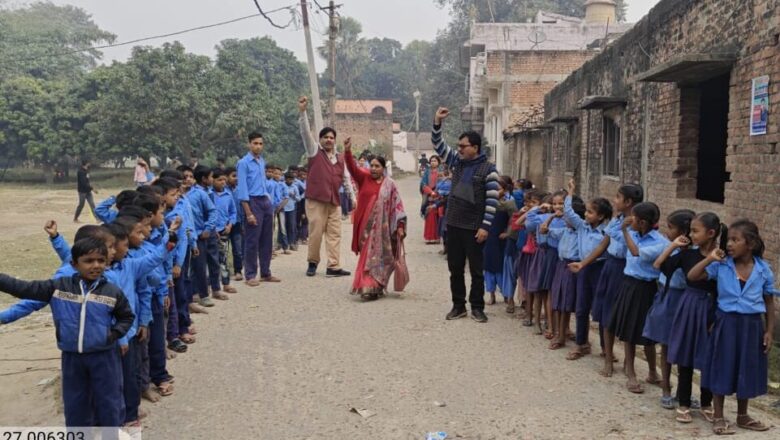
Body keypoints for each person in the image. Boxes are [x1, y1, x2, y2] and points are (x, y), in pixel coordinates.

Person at [0, 237, 135, 428]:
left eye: (101, 261)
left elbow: (126, 317)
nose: (96, 265)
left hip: (104, 358)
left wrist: (112, 335)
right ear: (74, 264)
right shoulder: (57, 287)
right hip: (72, 359)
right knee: (76, 406)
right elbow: (23, 288)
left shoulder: (112, 292)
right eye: (89, 261)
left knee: (109, 404)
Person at [688, 220, 776, 435]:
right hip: (726, 323)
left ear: (751, 244)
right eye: (728, 240)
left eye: (736, 240)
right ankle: (718, 416)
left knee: (745, 367)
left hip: (752, 325)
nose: (729, 245)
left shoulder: (764, 270)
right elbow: (692, 276)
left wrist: (769, 331)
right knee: (722, 366)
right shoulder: (721, 266)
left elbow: (769, 302)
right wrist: (710, 258)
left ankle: (743, 415)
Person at [432, 107, 499, 323]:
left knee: (476, 271)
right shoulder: (456, 162)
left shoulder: (489, 170)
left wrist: (485, 227)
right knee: (455, 269)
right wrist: (437, 123)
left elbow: (492, 201)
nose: (459, 149)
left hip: (474, 227)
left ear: (475, 148)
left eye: (463, 146)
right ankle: (458, 305)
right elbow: (439, 146)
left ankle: (477, 307)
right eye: (459, 146)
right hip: (454, 224)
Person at [653, 211, 721, 421]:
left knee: (708, 355)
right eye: (690, 230)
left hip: (712, 307)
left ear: (711, 233)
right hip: (689, 306)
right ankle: (683, 402)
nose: (691, 235)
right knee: (686, 354)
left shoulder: (721, 257)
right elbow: (658, 265)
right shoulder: (687, 254)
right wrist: (673, 246)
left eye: (695, 231)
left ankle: (706, 402)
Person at [607, 202, 667, 394]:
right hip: (629, 284)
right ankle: (631, 372)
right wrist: (619, 221)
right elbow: (610, 232)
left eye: (633, 218)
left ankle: (652, 372)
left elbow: (635, 252)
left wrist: (625, 231)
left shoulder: (660, 242)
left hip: (648, 287)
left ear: (641, 222)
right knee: (629, 330)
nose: (629, 220)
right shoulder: (632, 233)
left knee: (648, 332)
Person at [640, 209, 695, 409]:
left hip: (685, 299)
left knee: (682, 347)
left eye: (671, 228)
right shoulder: (669, 247)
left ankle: (683, 392)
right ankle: (666, 388)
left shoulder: (695, 251)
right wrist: (672, 245)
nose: (666, 231)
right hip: (668, 296)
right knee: (666, 345)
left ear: (684, 231)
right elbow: (657, 265)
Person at [343, 138, 407, 300]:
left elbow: (397, 205)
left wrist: (399, 225)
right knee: (367, 256)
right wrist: (348, 151)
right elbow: (351, 168)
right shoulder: (363, 178)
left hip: (384, 231)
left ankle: (376, 285)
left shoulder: (390, 184)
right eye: (371, 165)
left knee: (381, 257)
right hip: (366, 228)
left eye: (377, 166)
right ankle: (366, 285)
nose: (373, 168)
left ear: (383, 168)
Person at [298, 96, 353, 278]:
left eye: (331, 137)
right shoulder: (314, 151)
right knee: (315, 233)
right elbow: (306, 133)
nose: (329, 140)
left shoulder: (339, 158)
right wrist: (303, 112)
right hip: (316, 200)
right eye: (326, 137)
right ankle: (312, 263)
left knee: (335, 234)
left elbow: (346, 179)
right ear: (320, 139)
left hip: (334, 201)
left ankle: (334, 266)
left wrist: (353, 199)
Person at [560, 179, 613, 361]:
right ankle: (581, 344)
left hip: (601, 269)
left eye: (590, 212)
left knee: (601, 309)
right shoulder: (582, 226)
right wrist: (571, 192)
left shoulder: (607, 231)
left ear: (601, 217)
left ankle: (606, 348)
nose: (586, 215)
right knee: (581, 307)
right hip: (583, 269)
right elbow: (568, 213)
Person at [236, 132, 280, 286]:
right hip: (252, 201)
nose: (258, 146)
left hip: (264, 201)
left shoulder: (261, 161)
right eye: (255, 143)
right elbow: (242, 190)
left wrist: (268, 199)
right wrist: (248, 213)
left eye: (261, 144)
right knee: (252, 240)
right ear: (249, 144)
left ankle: (266, 272)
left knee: (267, 240)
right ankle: (250, 274)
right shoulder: (243, 163)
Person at [189, 165, 225, 305]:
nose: (212, 179)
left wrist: (210, 228)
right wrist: (205, 229)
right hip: (198, 233)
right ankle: (200, 293)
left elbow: (212, 212)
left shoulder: (207, 192)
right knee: (198, 264)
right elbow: (209, 212)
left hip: (208, 231)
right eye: (211, 177)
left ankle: (215, 288)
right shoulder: (195, 194)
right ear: (204, 179)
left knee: (214, 260)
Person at [212, 168, 238, 294]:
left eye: (224, 179)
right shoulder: (208, 195)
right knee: (211, 259)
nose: (222, 182)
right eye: (219, 180)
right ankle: (212, 285)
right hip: (211, 231)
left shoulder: (228, 195)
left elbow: (233, 212)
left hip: (223, 230)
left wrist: (230, 225)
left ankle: (226, 283)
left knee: (223, 258)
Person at [225, 166, 244, 281]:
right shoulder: (223, 190)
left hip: (237, 223)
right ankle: (225, 272)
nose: (236, 178)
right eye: (233, 176)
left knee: (237, 249)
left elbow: (242, 207)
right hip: (224, 224)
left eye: (237, 176)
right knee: (224, 250)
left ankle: (238, 270)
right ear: (226, 177)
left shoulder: (240, 190)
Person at [420, 155, 442, 244]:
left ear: (438, 162)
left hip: (439, 196)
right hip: (429, 196)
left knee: (439, 217)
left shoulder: (441, 171)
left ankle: (437, 238)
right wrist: (430, 192)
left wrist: (436, 192)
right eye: (432, 161)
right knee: (429, 216)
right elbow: (423, 184)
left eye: (435, 161)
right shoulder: (427, 172)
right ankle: (430, 238)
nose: (433, 162)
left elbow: (443, 182)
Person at [74, 159, 98, 223]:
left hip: (88, 191)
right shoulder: (81, 172)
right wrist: (92, 189)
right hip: (82, 191)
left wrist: (90, 188)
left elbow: (87, 181)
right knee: (81, 205)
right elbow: (83, 183)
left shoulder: (86, 171)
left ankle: (97, 219)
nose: (90, 163)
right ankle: (75, 218)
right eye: (89, 162)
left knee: (92, 204)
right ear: (86, 163)